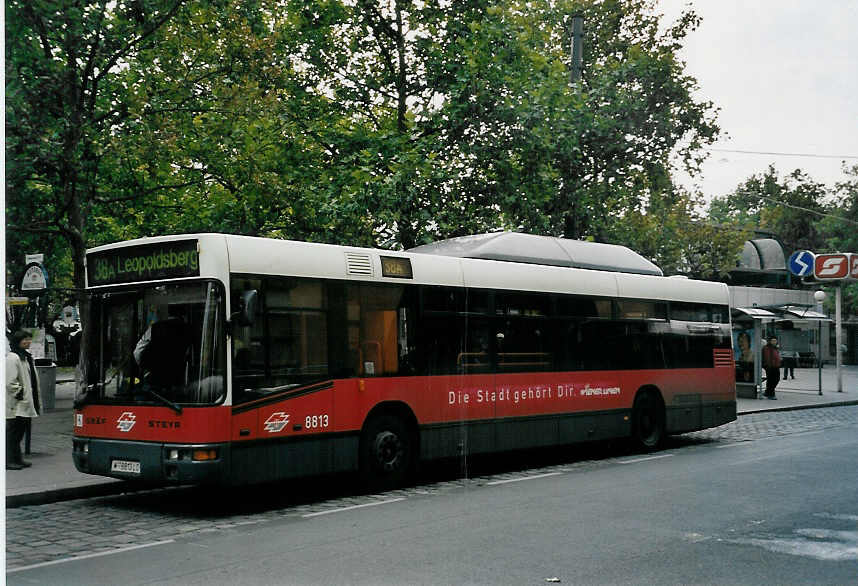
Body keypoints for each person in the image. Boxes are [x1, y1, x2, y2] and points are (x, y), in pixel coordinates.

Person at [6, 330, 41, 470]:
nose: (28, 342)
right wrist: (19, 393)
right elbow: (9, 382)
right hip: (16, 404)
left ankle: (17, 459)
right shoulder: (13, 358)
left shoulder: (24, 357)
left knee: (18, 433)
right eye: (24, 339)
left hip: (23, 402)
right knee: (12, 434)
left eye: (29, 339)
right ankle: (8, 461)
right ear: (17, 341)